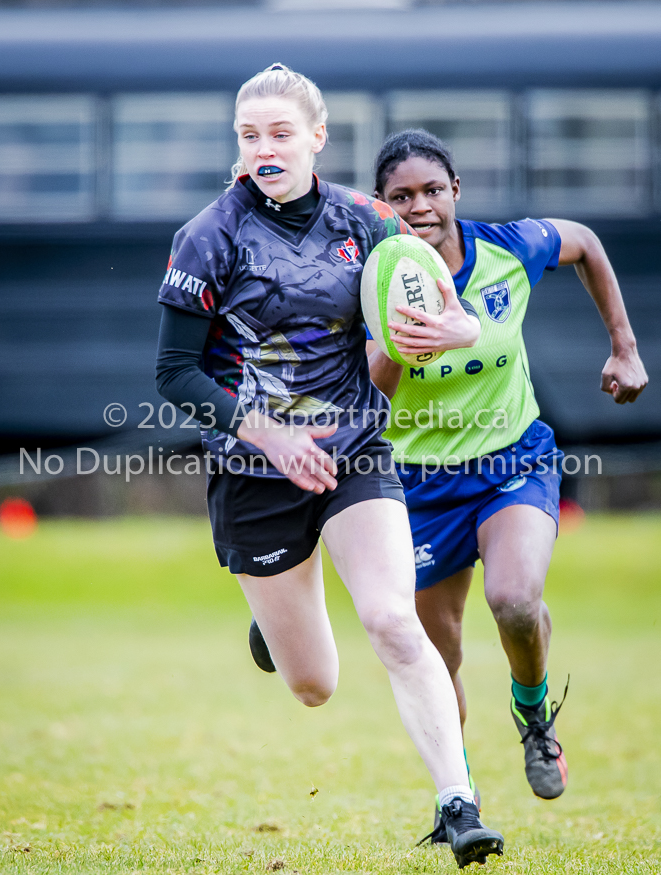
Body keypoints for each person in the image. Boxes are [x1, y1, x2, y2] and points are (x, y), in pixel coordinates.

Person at [155, 67, 504, 867]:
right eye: (250, 135)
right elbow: (174, 373)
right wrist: (271, 437)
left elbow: (455, 313)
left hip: (353, 453)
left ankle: (458, 803)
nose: (264, 149)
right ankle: (277, 622)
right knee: (315, 684)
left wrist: (449, 332)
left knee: (392, 618)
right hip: (256, 471)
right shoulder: (208, 235)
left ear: (318, 138)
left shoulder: (369, 219)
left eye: (281, 133)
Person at [366, 129, 648, 822]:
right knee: (439, 654)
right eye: (402, 197)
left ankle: (534, 716)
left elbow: (582, 240)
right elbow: (371, 394)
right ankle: (460, 799)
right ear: (383, 206)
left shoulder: (507, 248)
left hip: (510, 463)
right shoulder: (373, 275)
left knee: (517, 601)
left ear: (456, 190)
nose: (421, 206)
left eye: (433, 190)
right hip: (419, 486)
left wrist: (625, 346)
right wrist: (405, 341)